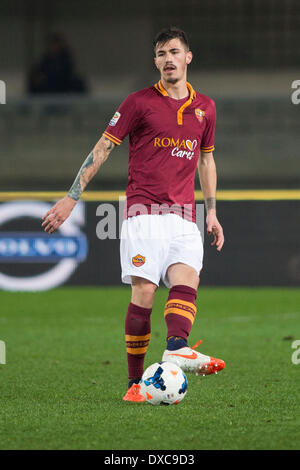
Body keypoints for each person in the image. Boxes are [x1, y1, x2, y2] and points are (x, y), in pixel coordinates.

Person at [42, 27, 225, 402]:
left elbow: (206, 159)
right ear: (155, 61)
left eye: (174, 51)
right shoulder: (138, 103)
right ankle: (133, 385)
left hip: (185, 215)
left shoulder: (205, 107)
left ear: (188, 57)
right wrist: (71, 198)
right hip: (143, 213)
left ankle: (176, 347)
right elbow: (102, 149)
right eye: (160, 54)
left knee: (186, 278)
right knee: (144, 292)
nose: (167, 59)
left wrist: (212, 211)